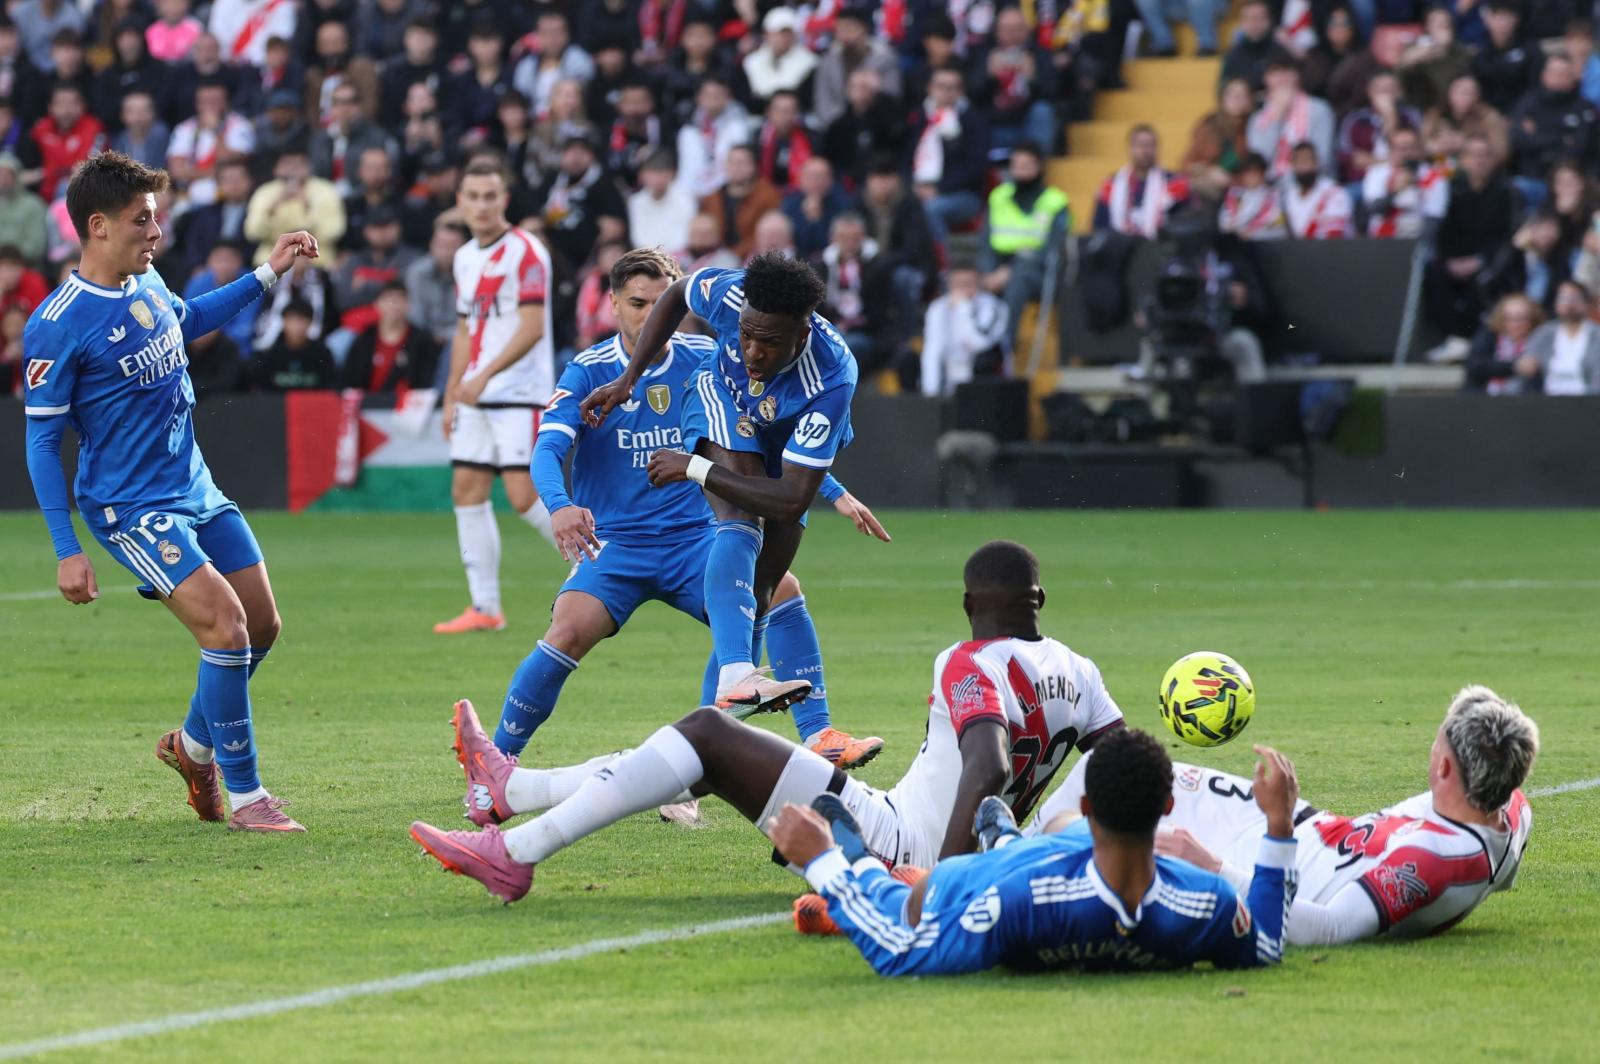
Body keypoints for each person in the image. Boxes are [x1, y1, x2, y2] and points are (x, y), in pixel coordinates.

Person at [410, 540, 1126, 903]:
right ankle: (514, 797)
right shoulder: (1082, 671)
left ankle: (514, 849)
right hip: (959, 848)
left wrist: (949, 890)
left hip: (904, 850)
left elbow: (989, 765)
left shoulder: (968, 660)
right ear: (1039, 598)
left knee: (704, 734)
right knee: (702, 751)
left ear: (969, 601)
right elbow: (1126, 765)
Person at [498, 247, 886, 773]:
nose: (647, 312)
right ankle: (496, 761)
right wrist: (561, 504)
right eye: (637, 302)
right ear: (613, 303)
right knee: (567, 630)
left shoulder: (721, 355)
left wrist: (832, 488)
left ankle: (787, 738)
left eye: (657, 302)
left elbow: (768, 445)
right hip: (619, 541)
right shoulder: (590, 370)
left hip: (693, 536)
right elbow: (546, 450)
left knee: (780, 590)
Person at [21, 151, 316, 832]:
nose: (156, 231)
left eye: (155, 217)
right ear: (97, 226)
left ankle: (190, 747)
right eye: (142, 219)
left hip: (195, 485)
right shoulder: (58, 323)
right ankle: (247, 799)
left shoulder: (146, 280)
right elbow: (41, 443)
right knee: (226, 627)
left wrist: (269, 271)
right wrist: (68, 548)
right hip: (133, 507)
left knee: (262, 626)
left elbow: (185, 318)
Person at [1037, 685, 1537, 946]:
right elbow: (1502, 868)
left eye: (1437, 742)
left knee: (1109, 841)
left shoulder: (1432, 859)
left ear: (1445, 766)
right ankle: (1017, 844)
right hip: (1292, 822)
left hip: (1260, 866)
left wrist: (1213, 867)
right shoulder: (1510, 809)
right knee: (1107, 761)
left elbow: (1330, 929)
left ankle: (1009, 856)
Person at [579, 252, 860, 714]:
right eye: (745, 335)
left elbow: (790, 501)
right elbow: (675, 295)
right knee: (741, 515)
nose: (751, 351)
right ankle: (737, 674)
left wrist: (691, 467)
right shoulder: (729, 292)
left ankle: (705, 740)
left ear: (802, 334)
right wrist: (631, 377)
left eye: (768, 342)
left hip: (779, 439)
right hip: (720, 399)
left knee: (763, 588)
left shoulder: (832, 378)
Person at [776, 730, 1298, 974]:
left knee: (909, 901)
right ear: (1167, 806)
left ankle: (859, 856)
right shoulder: (1205, 901)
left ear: (1092, 804)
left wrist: (822, 860)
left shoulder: (1020, 898)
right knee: (1049, 838)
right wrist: (1278, 828)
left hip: (1006, 872)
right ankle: (1002, 835)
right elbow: (1266, 945)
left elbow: (901, 948)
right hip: (1036, 860)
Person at [435, 158, 559, 634]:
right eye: (474, 196)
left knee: (524, 493)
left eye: (491, 196)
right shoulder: (466, 256)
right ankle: (485, 607)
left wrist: (484, 375)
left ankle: (601, 566)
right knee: (466, 489)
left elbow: (532, 327)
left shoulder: (527, 252)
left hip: (519, 392)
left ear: (504, 200)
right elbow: (465, 330)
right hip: (476, 394)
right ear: (460, 202)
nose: (482, 205)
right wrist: (452, 394)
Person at [1424, 134, 1517, 354]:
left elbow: (1509, 235)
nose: (1480, 161)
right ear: (1463, 160)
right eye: (1473, 156)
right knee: (1433, 274)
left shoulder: (1506, 191)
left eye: (1485, 155)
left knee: (1491, 276)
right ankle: (1452, 338)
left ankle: (1474, 341)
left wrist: (1479, 260)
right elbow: (1438, 231)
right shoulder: (1448, 188)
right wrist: (1450, 260)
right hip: (1453, 260)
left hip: (1490, 260)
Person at [979, 141, 1069, 346]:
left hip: (1037, 272)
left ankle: (1004, 345)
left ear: (1039, 166)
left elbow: (1052, 250)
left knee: (1018, 281)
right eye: (1016, 165)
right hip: (997, 268)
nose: (1020, 170)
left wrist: (1008, 271)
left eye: (1026, 165)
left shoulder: (1055, 201)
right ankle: (972, 349)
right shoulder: (998, 196)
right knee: (964, 282)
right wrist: (988, 273)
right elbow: (985, 240)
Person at [910, 66, 991, 243]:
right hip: (918, 188)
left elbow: (974, 168)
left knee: (932, 209)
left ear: (960, 91)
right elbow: (906, 157)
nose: (946, 92)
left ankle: (942, 264)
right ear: (930, 88)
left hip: (963, 195)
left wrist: (938, 189)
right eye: (941, 86)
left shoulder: (973, 121)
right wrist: (914, 186)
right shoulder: (919, 118)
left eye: (951, 87)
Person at [1508, 54, 1600, 207]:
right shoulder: (1527, 102)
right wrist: (1560, 137)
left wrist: (1537, 135)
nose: (1558, 78)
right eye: (1554, 73)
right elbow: (1517, 140)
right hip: (1533, 178)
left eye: (1563, 74)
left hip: (1574, 183)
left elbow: (1579, 147)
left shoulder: (1584, 108)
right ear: (1544, 75)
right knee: (1517, 188)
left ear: (1573, 77)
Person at [917, 262, 1009, 396]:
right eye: (958, 284)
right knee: (909, 359)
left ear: (979, 283)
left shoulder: (994, 306)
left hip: (980, 374)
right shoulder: (938, 308)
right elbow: (933, 348)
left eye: (968, 283)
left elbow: (980, 344)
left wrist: (964, 309)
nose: (963, 289)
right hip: (950, 371)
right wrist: (931, 392)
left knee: (985, 359)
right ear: (950, 284)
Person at [243, 148, 346, 266]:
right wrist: (273, 207)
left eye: (298, 164)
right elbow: (253, 233)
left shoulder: (326, 191)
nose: (292, 169)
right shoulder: (265, 192)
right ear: (277, 168)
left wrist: (307, 206)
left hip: (316, 262)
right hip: (271, 262)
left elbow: (333, 232)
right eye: (287, 163)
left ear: (308, 167)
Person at [1247, 52, 1335, 179]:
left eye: (1287, 71)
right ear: (1266, 79)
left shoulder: (1318, 109)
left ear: (1297, 75)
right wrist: (1276, 118)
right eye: (1275, 72)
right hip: (1271, 188)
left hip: (1310, 184)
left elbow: (1322, 158)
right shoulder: (1258, 119)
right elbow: (1259, 162)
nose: (1282, 77)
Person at [811, 7, 902, 128]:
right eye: (839, 28)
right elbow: (823, 103)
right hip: (837, 130)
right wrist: (841, 127)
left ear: (863, 28)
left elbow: (892, 97)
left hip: (876, 128)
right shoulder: (828, 61)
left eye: (849, 27)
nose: (843, 33)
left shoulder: (885, 58)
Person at [1094, 124, 1189, 237]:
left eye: (1151, 145)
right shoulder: (1111, 185)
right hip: (1119, 249)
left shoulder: (1175, 184)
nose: (1146, 151)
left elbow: (1183, 224)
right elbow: (1099, 226)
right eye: (1141, 145)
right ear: (1130, 148)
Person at [341, 280, 436, 393]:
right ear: (377, 304)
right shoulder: (365, 338)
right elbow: (350, 380)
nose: (394, 304)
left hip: (404, 406)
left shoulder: (421, 341)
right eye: (389, 298)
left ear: (408, 304)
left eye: (400, 298)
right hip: (365, 404)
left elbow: (424, 382)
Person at [698, 144, 783, 261]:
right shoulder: (712, 198)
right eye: (732, 162)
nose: (737, 167)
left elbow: (766, 235)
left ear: (753, 166)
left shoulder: (768, 196)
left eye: (742, 163)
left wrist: (735, 255)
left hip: (755, 257)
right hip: (716, 257)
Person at [1362, 126, 1448, 239]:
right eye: (1399, 148)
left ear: (1419, 150)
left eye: (1410, 148)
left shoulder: (1435, 177)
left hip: (1416, 239)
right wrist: (1395, 191)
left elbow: (1434, 220)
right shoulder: (1377, 173)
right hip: (1380, 241)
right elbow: (1374, 210)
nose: (1405, 154)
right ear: (1390, 150)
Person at [1183, 77, 1256, 204]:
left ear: (1250, 101)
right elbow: (1188, 163)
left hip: (1244, 189)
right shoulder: (1208, 126)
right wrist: (1211, 171)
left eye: (1242, 95)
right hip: (1210, 185)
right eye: (1231, 94)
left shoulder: (1256, 127)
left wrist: (1231, 180)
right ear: (1222, 100)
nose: (1236, 99)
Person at [1519, 280, 1600, 394]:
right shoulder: (1545, 333)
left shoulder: (1596, 335)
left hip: (1587, 399)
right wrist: (1525, 364)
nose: (1569, 304)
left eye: (1575, 299)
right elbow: (1527, 359)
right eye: (1564, 298)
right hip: (1548, 398)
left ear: (1586, 303)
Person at [246, 297, 335, 390]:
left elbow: (329, 386)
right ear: (284, 322)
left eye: (301, 320)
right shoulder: (270, 354)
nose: (296, 326)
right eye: (292, 320)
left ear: (310, 322)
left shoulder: (322, 354)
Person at [1465, 293, 1542, 393]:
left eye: (1522, 318)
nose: (1517, 324)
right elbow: (1475, 366)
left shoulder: (1539, 338)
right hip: (1484, 396)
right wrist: (1514, 366)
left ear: (1532, 319)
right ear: (1501, 319)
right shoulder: (1489, 335)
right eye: (1510, 319)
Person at [743, 8, 818, 110]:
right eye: (780, 33)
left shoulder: (809, 62)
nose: (784, 38)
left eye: (789, 33)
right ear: (767, 34)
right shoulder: (751, 61)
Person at [1472, 0, 1536, 116]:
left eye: (1506, 16)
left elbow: (1535, 85)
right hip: (1490, 114)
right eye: (1497, 16)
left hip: (1524, 111)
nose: (1502, 22)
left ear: (1516, 19)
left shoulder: (1530, 50)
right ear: (1487, 20)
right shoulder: (1481, 54)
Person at [628, 151, 696, 255]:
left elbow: (684, 236)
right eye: (653, 173)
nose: (658, 179)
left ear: (672, 174)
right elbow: (638, 237)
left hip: (679, 257)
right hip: (647, 257)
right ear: (642, 175)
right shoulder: (635, 202)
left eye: (662, 173)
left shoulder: (686, 199)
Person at [1281, 141, 1352, 239]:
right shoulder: (1289, 196)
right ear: (1292, 165)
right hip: (1299, 251)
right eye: (1299, 161)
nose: (1303, 166)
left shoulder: (1334, 192)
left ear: (1316, 163)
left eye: (1307, 160)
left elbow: (1335, 236)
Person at [1218, 153, 1287, 241]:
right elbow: (1224, 224)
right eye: (1247, 172)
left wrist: (1254, 233)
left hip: (1264, 246)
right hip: (1237, 246)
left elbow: (1278, 229)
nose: (1251, 176)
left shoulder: (1275, 196)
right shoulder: (1234, 195)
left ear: (1263, 173)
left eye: (1255, 172)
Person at [1219, 0, 1276, 91]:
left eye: (1259, 18)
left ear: (1269, 21)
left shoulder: (1282, 52)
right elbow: (1223, 91)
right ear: (1242, 23)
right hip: (1244, 104)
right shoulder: (1233, 56)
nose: (1255, 24)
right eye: (1250, 19)